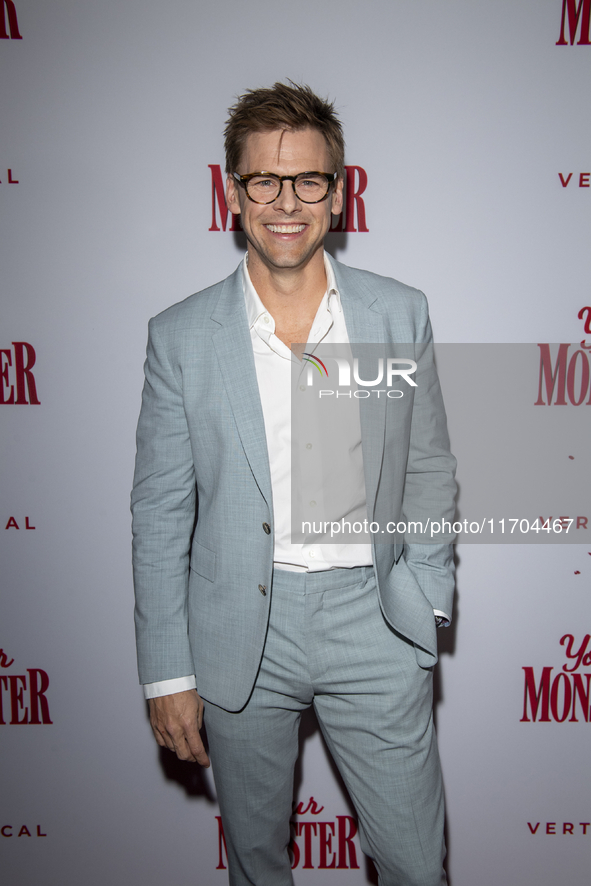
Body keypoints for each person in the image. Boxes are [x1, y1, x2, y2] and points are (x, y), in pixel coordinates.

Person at [131, 82, 456, 886]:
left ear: (337, 193)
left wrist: (428, 589)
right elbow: (160, 511)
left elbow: (428, 465)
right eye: (263, 181)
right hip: (241, 631)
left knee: (417, 867)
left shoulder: (396, 313)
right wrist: (168, 672)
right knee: (257, 868)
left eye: (308, 180)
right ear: (232, 190)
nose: (286, 201)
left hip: (373, 620)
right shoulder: (179, 337)